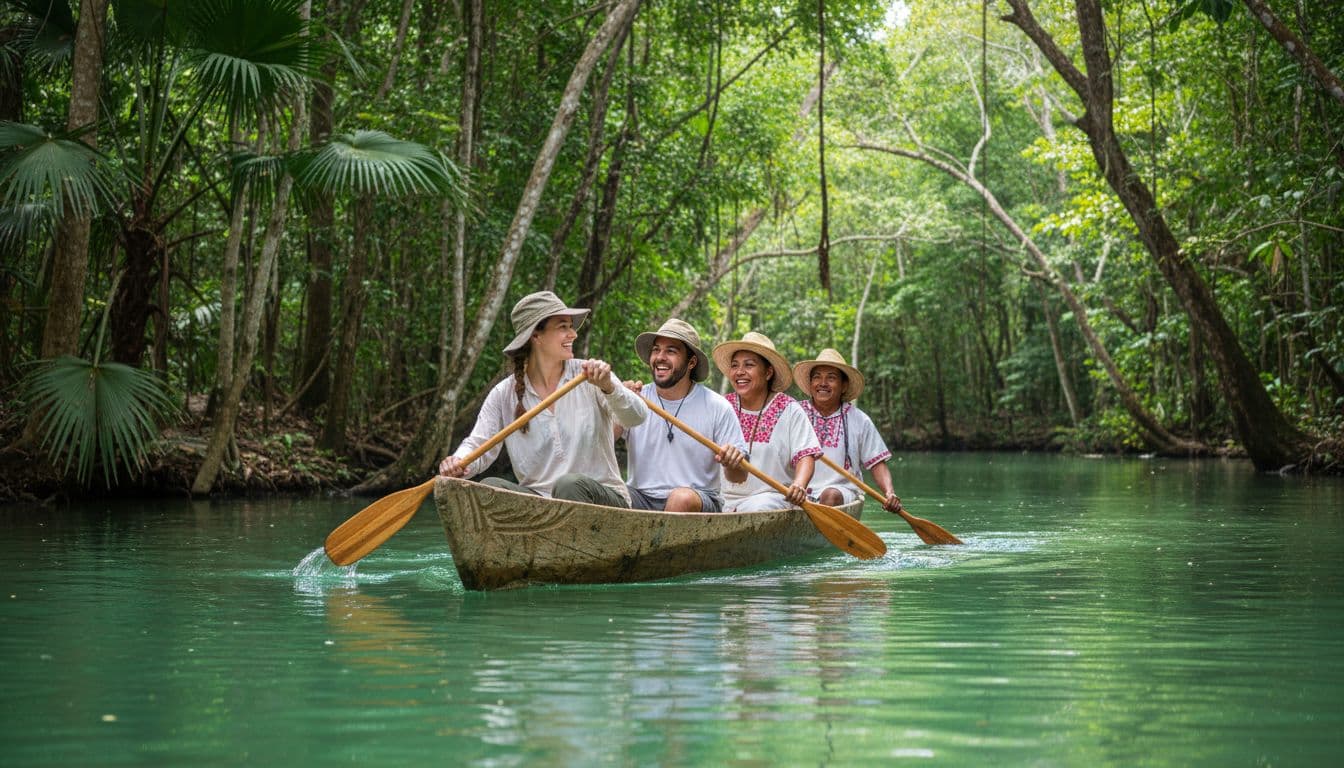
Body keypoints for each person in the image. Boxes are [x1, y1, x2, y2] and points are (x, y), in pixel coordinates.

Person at [438, 291, 647, 507]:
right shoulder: (504, 394)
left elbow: (637, 417)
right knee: (492, 487)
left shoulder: (591, 375)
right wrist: (458, 462)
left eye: (571, 326)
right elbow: (478, 444)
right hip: (541, 507)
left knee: (569, 485)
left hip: (604, 500)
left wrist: (609, 387)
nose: (573, 334)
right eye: (563, 327)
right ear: (536, 336)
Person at [619, 318, 747, 512]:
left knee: (681, 498)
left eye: (671, 351)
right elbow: (600, 443)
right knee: (612, 490)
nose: (660, 357)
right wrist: (615, 399)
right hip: (641, 498)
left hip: (696, 498)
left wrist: (732, 462)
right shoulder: (635, 399)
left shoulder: (717, 406)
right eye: (656, 350)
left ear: (691, 362)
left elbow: (739, 477)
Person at [712, 331, 820, 512]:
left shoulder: (789, 409)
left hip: (771, 498)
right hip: (723, 500)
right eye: (735, 365)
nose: (739, 372)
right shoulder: (722, 406)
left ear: (768, 372)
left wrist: (799, 485)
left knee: (760, 506)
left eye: (749, 365)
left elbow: (805, 455)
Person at [794, 348, 902, 512]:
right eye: (817, 377)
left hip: (840, 492)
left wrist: (889, 493)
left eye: (831, 378)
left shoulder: (859, 420)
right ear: (810, 384)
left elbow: (876, 463)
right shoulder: (794, 413)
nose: (823, 383)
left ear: (844, 386)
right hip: (797, 490)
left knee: (830, 496)